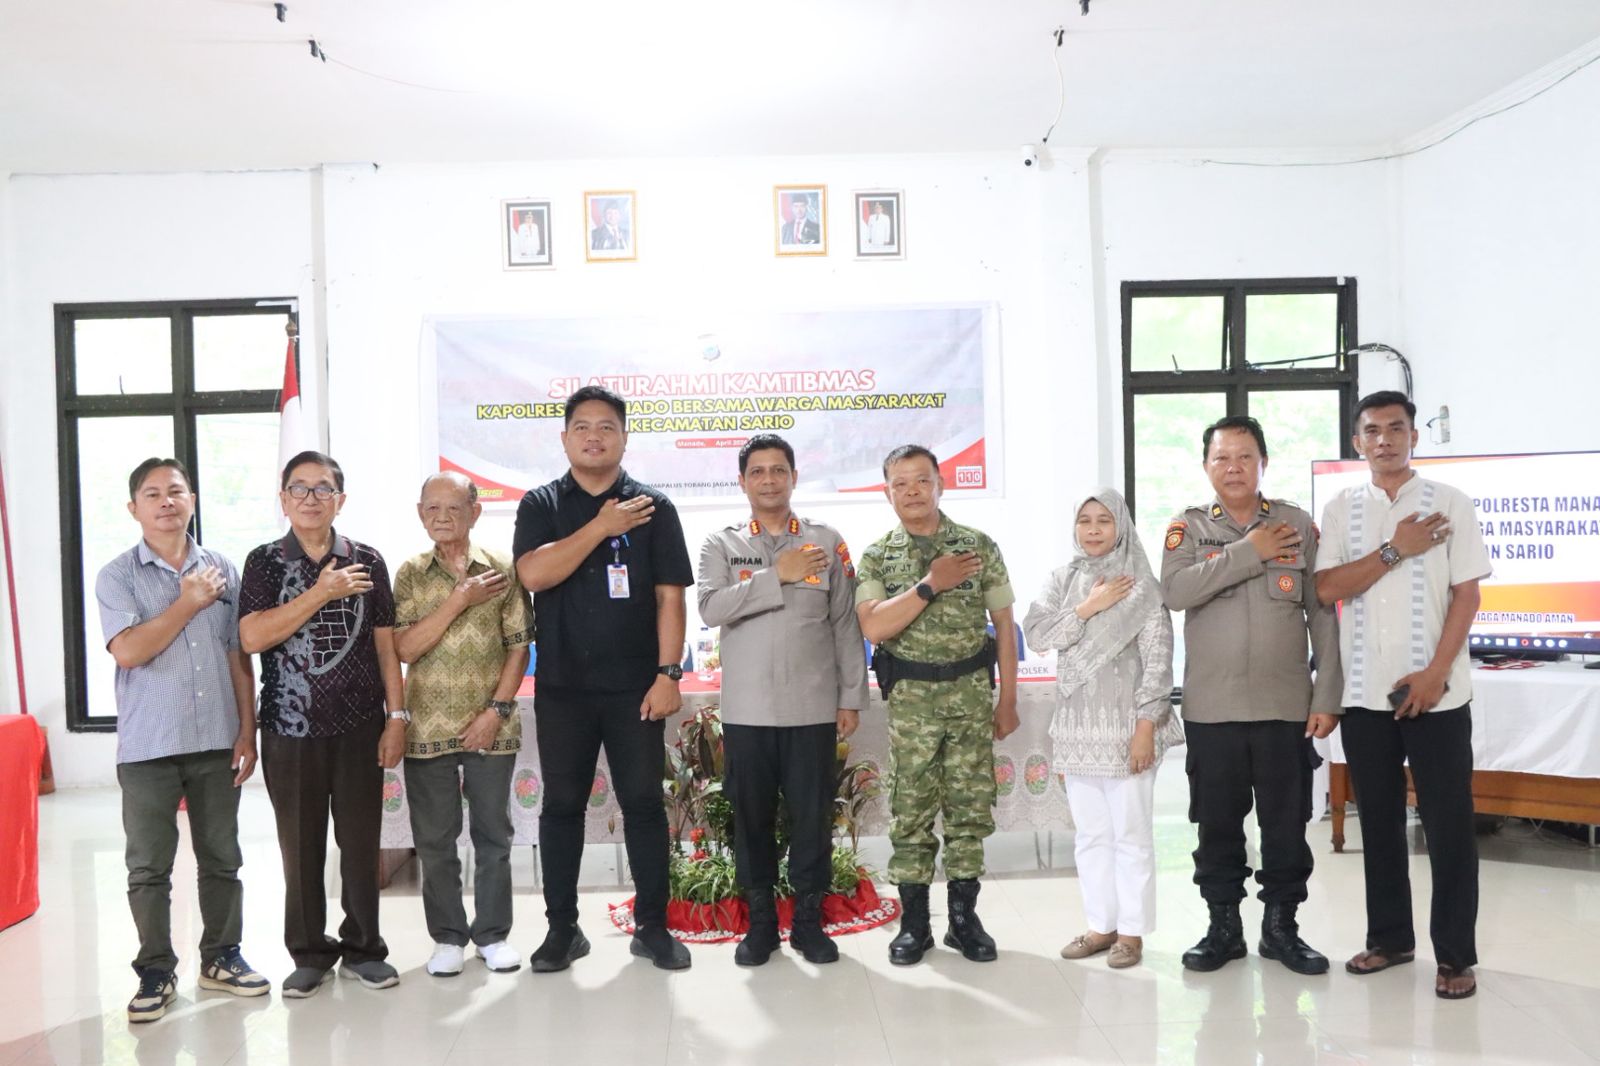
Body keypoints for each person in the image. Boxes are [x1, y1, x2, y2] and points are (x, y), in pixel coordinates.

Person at [1314, 391, 1491, 1000]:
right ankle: (1390, 940)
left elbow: (1467, 594)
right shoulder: (1341, 507)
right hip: (1366, 693)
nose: (1384, 439)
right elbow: (1327, 588)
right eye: (1372, 430)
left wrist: (1437, 672)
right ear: (1357, 441)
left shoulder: (1450, 502)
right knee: (1380, 823)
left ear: (1414, 436)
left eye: (1396, 428)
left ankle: (1456, 957)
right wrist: (1396, 549)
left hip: (1437, 693)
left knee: (1449, 826)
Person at [513, 385, 693, 972]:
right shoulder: (540, 504)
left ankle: (653, 928)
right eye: (583, 427)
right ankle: (562, 930)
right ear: (565, 438)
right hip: (563, 686)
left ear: (624, 437)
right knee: (562, 806)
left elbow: (670, 598)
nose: (594, 436)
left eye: (607, 426)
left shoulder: (655, 507)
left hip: (636, 687)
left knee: (643, 804)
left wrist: (668, 674)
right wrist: (601, 525)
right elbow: (534, 575)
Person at [1160, 415, 1341, 975]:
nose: (1233, 467)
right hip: (1212, 710)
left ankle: (1282, 929)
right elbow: (1175, 591)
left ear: (1263, 463)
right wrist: (1249, 551)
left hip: (1284, 707)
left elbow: (1322, 614)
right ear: (1206, 466)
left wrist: (1327, 694)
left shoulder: (1295, 523)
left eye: (1244, 457)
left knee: (1286, 826)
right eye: (1222, 457)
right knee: (1217, 825)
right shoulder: (1188, 528)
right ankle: (1224, 929)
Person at [96, 458, 269, 1023]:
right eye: (152, 494)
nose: (166, 502)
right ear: (134, 508)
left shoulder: (222, 568)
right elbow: (129, 651)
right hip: (148, 744)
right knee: (149, 866)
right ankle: (155, 970)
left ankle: (221, 957)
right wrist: (188, 601)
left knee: (222, 857)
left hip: (217, 737)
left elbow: (237, 654)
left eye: (175, 491)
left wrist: (247, 729)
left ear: (192, 500)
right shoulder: (117, 576)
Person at [239, 450, 406, 998]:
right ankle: (309, 953)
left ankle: (364, 949)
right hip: (288, 728)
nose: (311, 498)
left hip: (360, 725)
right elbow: (252, 637)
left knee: (360, 844)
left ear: (340, 499)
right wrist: (320, 593)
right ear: (283, 499)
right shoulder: (264, 562)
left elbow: (386, 647)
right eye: (300, 488)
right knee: (301, 846)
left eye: (323, 488)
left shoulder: (367, 560)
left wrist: (396, 718)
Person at [697, 434, 869, 967]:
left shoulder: (826, 541)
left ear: (794, 477)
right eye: (757, 471)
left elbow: (845, 624)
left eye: (778, 470)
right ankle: (762, 926)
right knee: (751, 820)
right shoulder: (721, 544)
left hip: (812, 709)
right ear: (742, 481)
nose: (768, 480)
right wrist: (779, 576)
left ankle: (810, 924)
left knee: (812, 820)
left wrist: (850, 697)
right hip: (748, 712)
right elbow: (710, 607)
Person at [855, 444, 1019, 965]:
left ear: (940, 485)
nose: (912, 492)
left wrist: (1008, 699)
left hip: (970, 698)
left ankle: (964, 921)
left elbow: (1004, 626)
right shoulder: (878, 555)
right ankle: (916, 924)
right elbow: (874, 626)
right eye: (900, 484)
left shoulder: (978, 546)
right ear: (887, 492)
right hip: (912, 707)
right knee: (911, 811)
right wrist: (930, 584)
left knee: (969, 810)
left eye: (921, 481)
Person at [1023, 488, 1180, 970]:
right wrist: (1086, 608)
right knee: (1091, 836)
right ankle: (1100, 927)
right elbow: (1037, 633)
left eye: (1104, 520)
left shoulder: (1143, 586)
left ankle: (1130, 933)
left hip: (1127, 729)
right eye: (1085, 520)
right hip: (1077, 730)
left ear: (1122, 527)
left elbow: (1158, 662)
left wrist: (1145, 727)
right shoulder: (1063, 579)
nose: (1093, 529)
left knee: (1131, 835)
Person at [393, 472, 534, 978]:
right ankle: (448, 938)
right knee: (435, 841)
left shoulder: (502, 569)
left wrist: (495, 712)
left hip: (490, 727)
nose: (442, 517)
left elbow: (519, 646)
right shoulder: (410, 574)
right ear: (420, 513)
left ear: (475, 512)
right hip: (426, 730)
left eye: (453, 507)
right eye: (432, 508)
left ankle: (493, 935)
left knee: (494, 836)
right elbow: (405, 648)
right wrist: (458, 599)